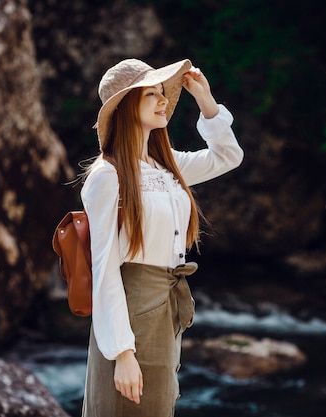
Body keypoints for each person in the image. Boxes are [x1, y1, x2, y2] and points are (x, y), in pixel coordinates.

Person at [80, 58, 243, 417]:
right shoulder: (107, 176)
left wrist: (206, 100)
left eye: (162, 93)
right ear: (126, 107)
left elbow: (229, 156)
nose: (163, 100)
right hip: (131, 311)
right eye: (150, 94)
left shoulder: (168, 167)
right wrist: (122, 353)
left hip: (167, 304)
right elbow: (105, 266)